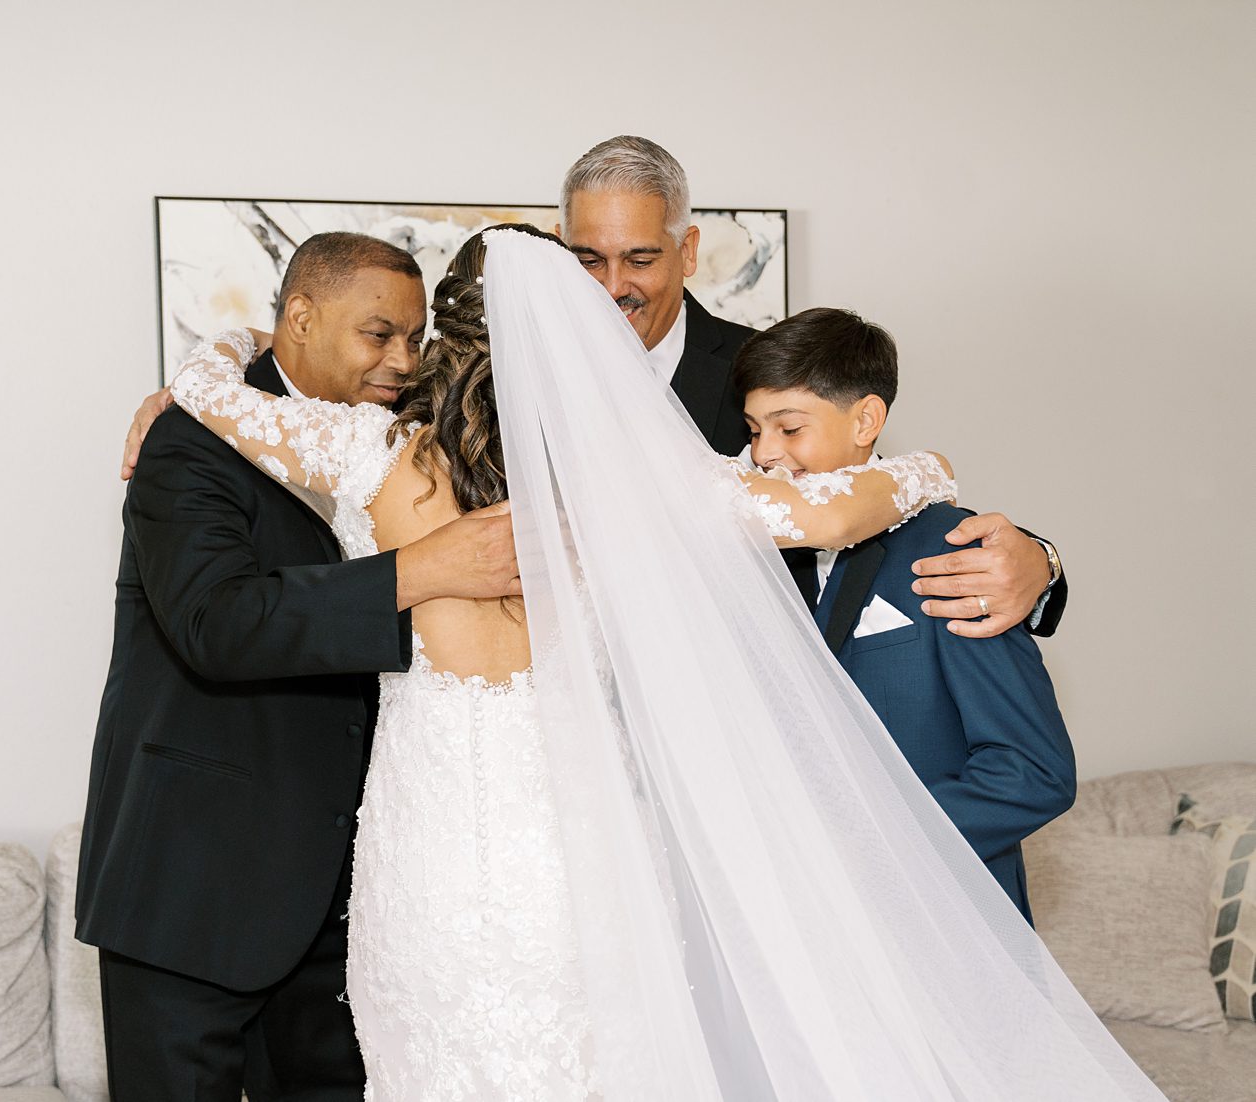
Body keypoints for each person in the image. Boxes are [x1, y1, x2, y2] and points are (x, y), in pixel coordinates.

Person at [162, 223, 1162, 1100]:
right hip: (583, 857)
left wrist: (238, 340)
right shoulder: (638, 487)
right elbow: (836, 506)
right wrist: (928, 468)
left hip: (427, 864)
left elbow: (207, 396)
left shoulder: (370, 455)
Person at [75, 233, 522, 1101]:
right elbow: (218, 623)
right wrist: (423, 570)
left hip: (355, 897)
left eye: (415, 338)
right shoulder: (189, 441)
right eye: (379, 334)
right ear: (301, 317)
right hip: (194, 885)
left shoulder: (416, 446)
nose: (402, 359)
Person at [555, 134, 1067, 640]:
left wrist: (1040, 565)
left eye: (640, 261)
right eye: (588, 261)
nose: (613, 287)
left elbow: (867, 493)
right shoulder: (497, 383)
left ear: (688, 252)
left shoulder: (760, 370)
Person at [734, 307, 1076, 921]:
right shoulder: (744, 547)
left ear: (866, 418)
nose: (765, 455)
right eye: (755, 429)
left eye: (789, 429)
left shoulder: (953, 550)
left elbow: (1033, 771)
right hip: (788, 927)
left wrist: (872, 853)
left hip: (941, 922)